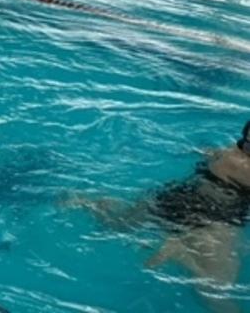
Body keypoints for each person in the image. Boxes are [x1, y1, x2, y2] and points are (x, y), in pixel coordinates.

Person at [71, 123, 250, 313]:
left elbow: (206, 152)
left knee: (117, 224)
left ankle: (91, 202)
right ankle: (184, 254)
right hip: (215, 217)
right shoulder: (242, 166)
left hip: (175, 198)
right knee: (214, 295)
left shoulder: (224, 152)